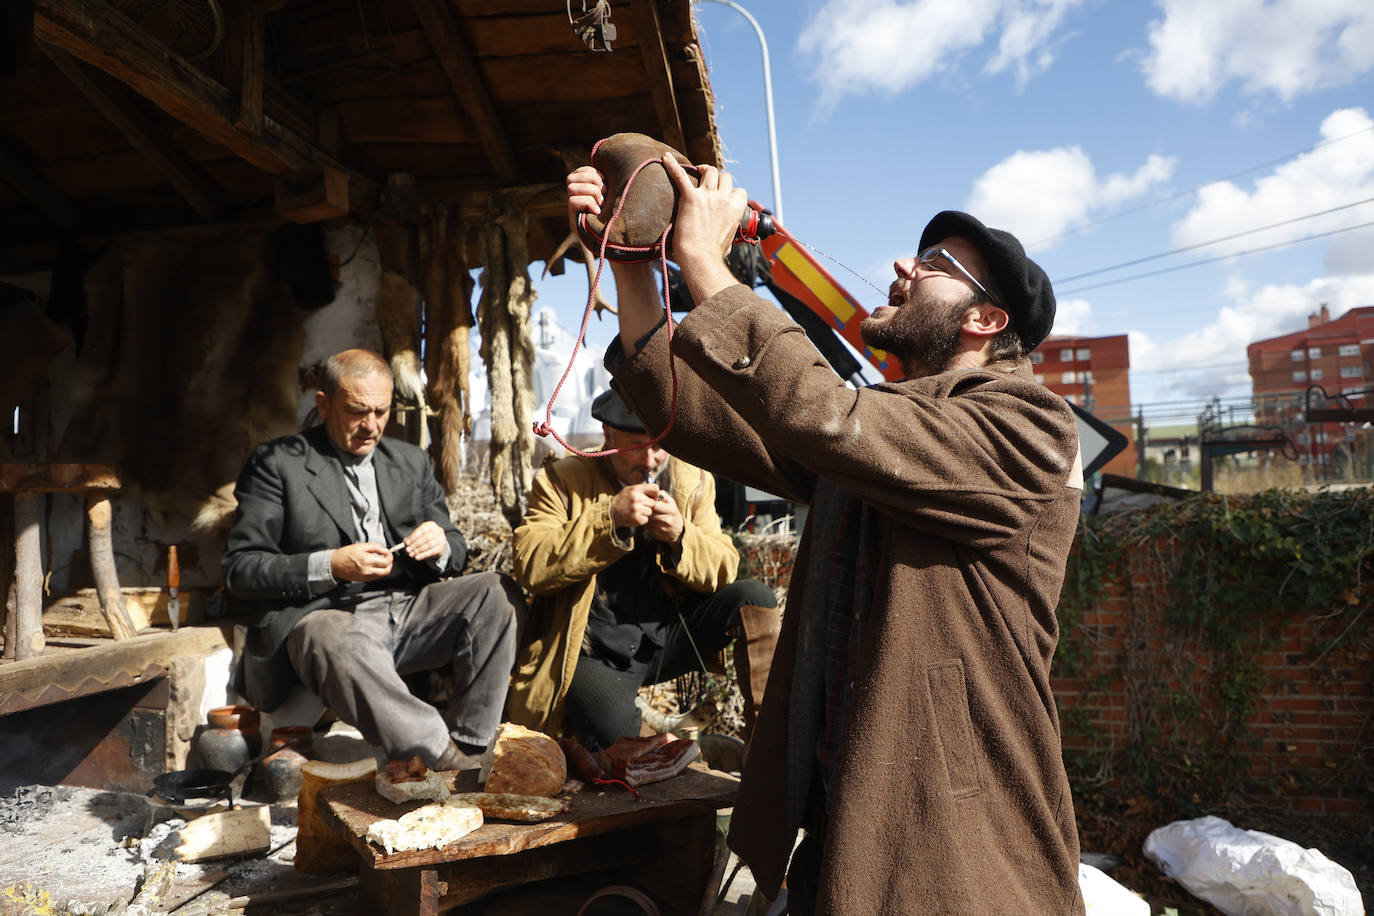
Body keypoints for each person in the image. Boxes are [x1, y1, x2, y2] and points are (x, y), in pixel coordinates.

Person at [566, 159, 1086, 914]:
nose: (903, 265)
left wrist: (707, 261)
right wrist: (635, 263)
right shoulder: (879, 433)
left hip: (954, 840)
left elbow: (825, 414)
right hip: (844, 818)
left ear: (986, 319)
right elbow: (698, 412)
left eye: (935, 264)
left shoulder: (1027, 423)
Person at [223, 348, 521, 771]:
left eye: (381, 412)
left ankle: (472, 742)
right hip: (326, 615)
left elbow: (454, 547)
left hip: (406, 610)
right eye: (358, 411)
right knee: (334, 637)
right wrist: (331, 564)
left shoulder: (410, 462)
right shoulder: (278, 463)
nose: (372, 426)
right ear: (324, 404)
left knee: (495, 593)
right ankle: (441, 757)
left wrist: (440, 545)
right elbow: (240, 568)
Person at [506, 388, 779, 750]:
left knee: (754, 599)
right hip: (593, 650)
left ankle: (770, 747)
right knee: (618, 741)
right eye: (636, 446)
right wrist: (609, 520)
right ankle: (694, 753)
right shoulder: (563, 480)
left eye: (659, 446)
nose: (650, 461)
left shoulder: (690, 479)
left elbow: (725, 565)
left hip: (667, 637)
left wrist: (682, 537)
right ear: (608, 436)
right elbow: (531, 564)